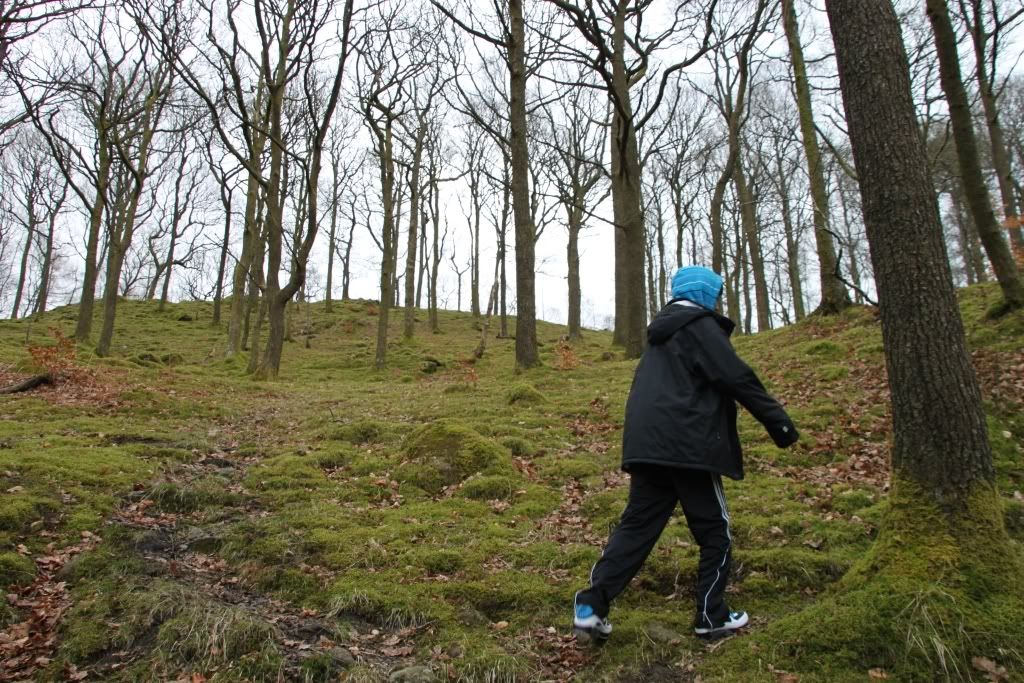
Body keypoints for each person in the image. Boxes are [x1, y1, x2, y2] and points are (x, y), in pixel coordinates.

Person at [572, 265, 799, 642]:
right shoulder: (700, 326)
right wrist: (780, 424)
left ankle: (590, 606)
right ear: (703, 295)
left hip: (648, 447)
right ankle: (712, 616)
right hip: (688, 446)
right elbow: (737, 377)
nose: (716, 300)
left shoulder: (659, 337)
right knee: (715, 531)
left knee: (637, 527)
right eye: (714, 294)